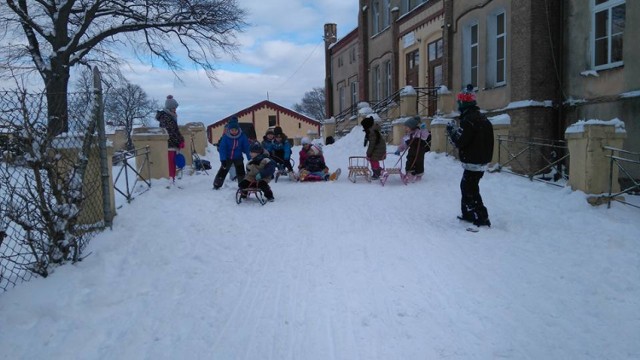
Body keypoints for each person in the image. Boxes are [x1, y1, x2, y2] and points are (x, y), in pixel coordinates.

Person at [446, 84, 494, 228]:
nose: (458, 105)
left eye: (460, 102)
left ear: (464, 103)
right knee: (467, 186)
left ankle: (482, 217)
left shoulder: (469, 120)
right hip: (480, 160)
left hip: (473, 161)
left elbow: (461, 142)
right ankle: (467, 213)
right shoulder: (481, 119)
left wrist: (452, 132)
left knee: (469, 189)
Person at [213, 116, 251, 189]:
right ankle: (217, 184)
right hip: (227, 157)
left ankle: (242, 185)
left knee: (241, 172)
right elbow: (222, 149)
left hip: (238, 157)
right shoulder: (226, 137)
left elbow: (246, 147)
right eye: (232, 130)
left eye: (235, 130)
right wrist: (223, 159)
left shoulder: (242, 136)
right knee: (223, 171)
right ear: (229, 130)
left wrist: (250, 158)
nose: (234, 131)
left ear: (238, 129)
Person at [155, 95, 185, 187]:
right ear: (169, 108)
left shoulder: (170, 116)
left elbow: (176, 130)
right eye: (174, 108)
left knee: (173, 164)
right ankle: (170, 181)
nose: (175, 109)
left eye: (175, 108)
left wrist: (181, 139)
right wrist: (179, 141)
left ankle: (172, 180)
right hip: (169, 145)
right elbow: (171, 132)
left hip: (172, 144)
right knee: (171, 164)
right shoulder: (166, 117)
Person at [395, 116, 430, 181]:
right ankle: (409, 174)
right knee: (409, 161)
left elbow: (425, 136)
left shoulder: (419, 132)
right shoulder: (408, 135)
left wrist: (424, 129)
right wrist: (399, 150)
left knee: (419, 163)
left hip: (419, 151)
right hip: (412, 151)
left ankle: (418, 175)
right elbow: (404, 144)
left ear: (412, 127)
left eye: (407, 127)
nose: (405, 129)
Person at [361, 115, 387, 180]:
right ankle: (377, 173)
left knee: (373, 160)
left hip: (378, 149)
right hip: (379, 148)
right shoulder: (373, 130)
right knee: (373, 161)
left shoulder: (371, 132)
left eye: (363, 126)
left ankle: (381, 172)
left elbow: (372, 144)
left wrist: (368, 154)